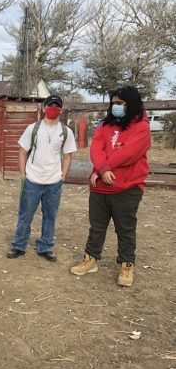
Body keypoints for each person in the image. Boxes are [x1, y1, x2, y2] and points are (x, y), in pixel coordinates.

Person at [70, 86, 150, 287]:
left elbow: (129, 153)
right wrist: (101, 169)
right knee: (96, 227)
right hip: (99, 187)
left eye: (120, 103)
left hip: (126, 188)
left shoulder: (141, 127)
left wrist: (104, 168)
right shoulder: (105, 126)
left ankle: (126, 264)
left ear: (131, 104)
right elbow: (96, 148)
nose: (116, 106)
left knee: (125, 229)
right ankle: (91, 258)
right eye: (114, 103)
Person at [6, 95, 77, 262]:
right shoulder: (33, 129)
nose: (53, 109)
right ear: (44, 108)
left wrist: (63, 175)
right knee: (25, 215)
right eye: (50, 105)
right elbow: (22, 151)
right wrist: (23, 174)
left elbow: (68, 155)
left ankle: (45, 246)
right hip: (32, 181)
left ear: (60, 110)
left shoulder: (66, 132)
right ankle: (19, 245)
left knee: (50, 216)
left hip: (53, 182)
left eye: (56, 106)